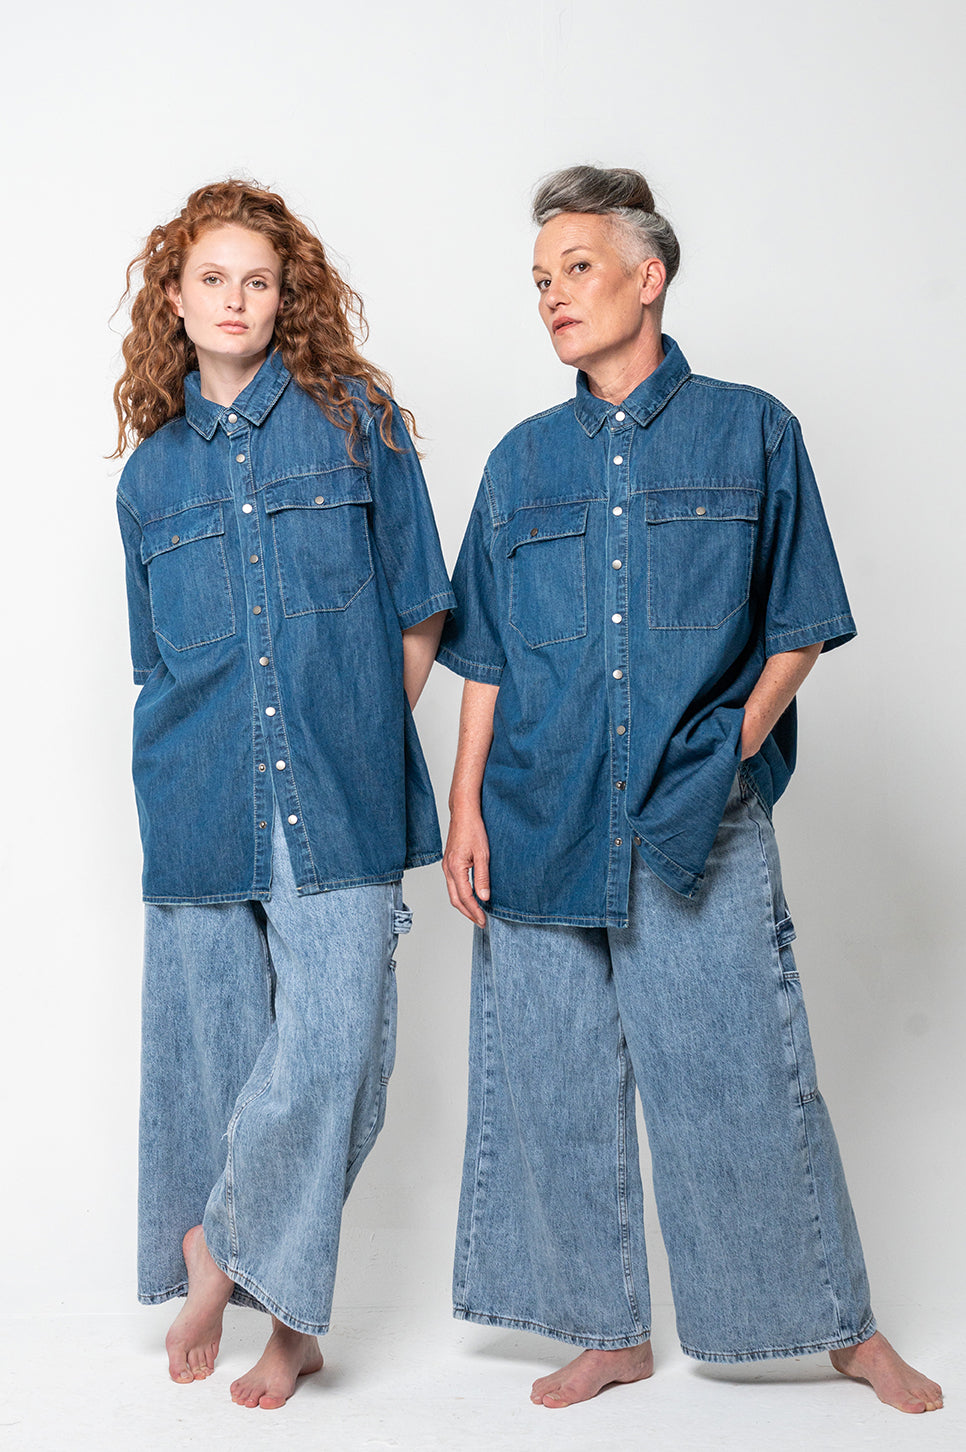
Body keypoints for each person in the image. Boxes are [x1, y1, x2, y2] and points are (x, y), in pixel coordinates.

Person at [438, 165, 942, 1415]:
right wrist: (462, 809)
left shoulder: (753, 431)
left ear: (649, 275)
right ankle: (603, 1331)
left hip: (692, 819)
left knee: (745, 1077)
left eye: (577, 269)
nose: (554, 297)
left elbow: (802, 622)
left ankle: (842, 1329)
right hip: (538, 818)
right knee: (551, 1081)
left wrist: (729, 752)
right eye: (539, 281)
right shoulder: (520, 463)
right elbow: (485, 658)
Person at [114, 180, 454, 1410]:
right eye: (213, 278)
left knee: (336, 1055)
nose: (235, 300)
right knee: (223, 1070)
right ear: (175, 297)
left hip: (340, 796)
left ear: (284, 296)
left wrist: (355, 737)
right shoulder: (150, 480)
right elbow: (157, 666)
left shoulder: (358, 422)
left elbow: (421, 609)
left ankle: (220, 1249)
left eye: (257, 280)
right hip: (198, 803)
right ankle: (294, 1327)